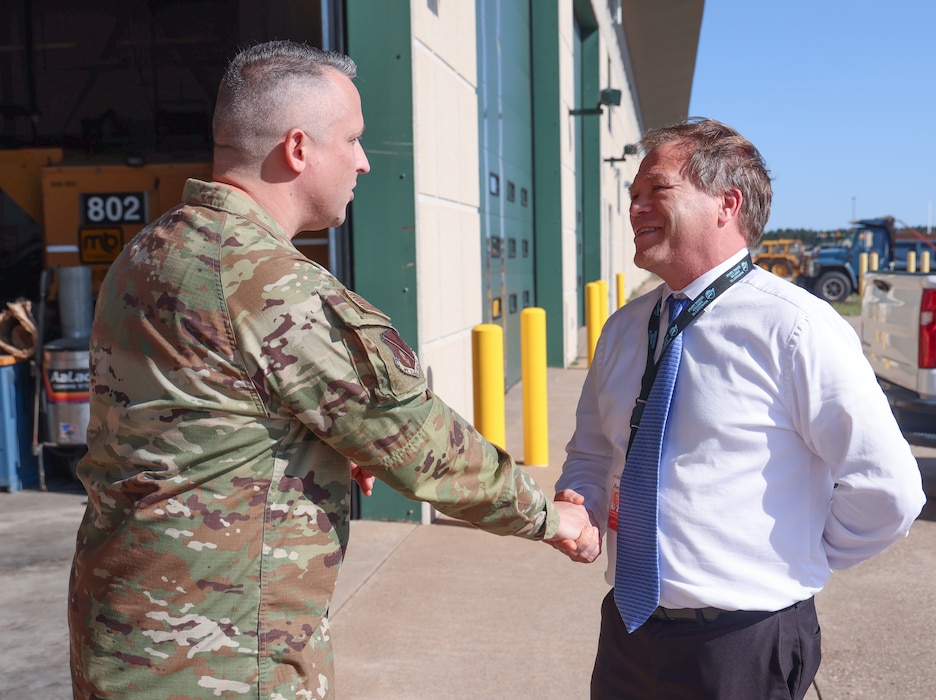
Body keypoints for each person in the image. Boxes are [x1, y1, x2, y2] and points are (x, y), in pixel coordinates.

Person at [68, 40, 589, 699]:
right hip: (222, 657)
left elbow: (200, 417)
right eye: (353, 140)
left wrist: (319, 448)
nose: (364, 162)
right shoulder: (273, 285)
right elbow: (418, 444)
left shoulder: (149, 250)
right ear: (297, 149)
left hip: (123, 628)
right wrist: (548, 516)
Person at [550, 118, 926, 699]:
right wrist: (586, 502)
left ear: (727, 203)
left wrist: (794, 561)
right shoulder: (625, 329)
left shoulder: (795, 328)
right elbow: (593, 449)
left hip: (744, 645)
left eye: (658, 191)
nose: (637, 207)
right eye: (633, 195)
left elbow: (888, 488)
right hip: (629, 631)